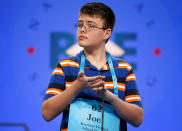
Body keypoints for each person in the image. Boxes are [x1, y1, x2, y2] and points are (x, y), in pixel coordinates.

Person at [42, 2, 143, 131]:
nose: (82, 29)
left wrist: (108, 96)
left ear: (107, 33)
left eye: (90, 26)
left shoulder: (124, 69)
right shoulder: (65, 66)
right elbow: (47, 113)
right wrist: (77, 87)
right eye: (80, 25)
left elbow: (137, 119)